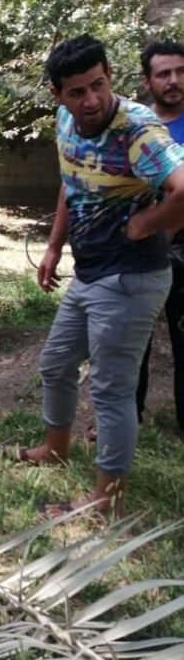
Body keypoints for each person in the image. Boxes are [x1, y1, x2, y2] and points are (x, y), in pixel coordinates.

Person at [15, 34, 184, 518]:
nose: (91, 100)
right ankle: (56, 448)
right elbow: (73, 183)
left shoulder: (138, 129)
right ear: (58, 95)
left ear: (111, 76)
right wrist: (52, 245)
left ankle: (105, 500)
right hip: (89, 274)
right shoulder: (66, 122)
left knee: (110, 389)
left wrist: (146, 223)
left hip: (132, 277)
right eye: (77, 91)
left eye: (99, 85)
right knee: (55, 364)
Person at [135, 40, 184, 435]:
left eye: (180, 72)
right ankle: (126, 416)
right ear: (147, 80)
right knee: (133, 340)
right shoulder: (135, 129)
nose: (173, 80)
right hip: (140, 249)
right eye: (164, 73)